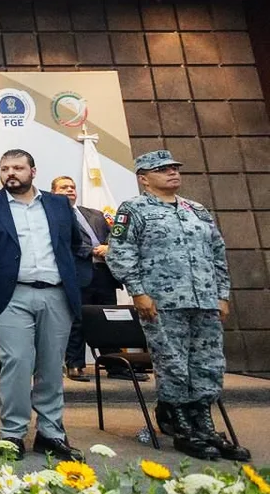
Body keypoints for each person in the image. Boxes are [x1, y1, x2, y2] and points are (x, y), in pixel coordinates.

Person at [106, 150, 249, 461]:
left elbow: (217, 253)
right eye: (162, 169)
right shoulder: (134, 209)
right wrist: (138, 292)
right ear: (144, 179)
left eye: (173, 168)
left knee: (208, 363)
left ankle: (204, 425)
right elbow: (120, 254)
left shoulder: (196, 210)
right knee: (173, 364)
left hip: (205, 301)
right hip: (163, 303)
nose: (172, 172)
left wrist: (222, 295)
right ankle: (182, 426)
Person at [0, 149, 86, 460]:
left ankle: (50, 433)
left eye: (18, 167)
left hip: (56, 294)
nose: (10, 173)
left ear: (33, 171)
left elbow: (73, 243)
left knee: (51, 366)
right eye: (5, 168)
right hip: (12, 295)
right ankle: (13, 434)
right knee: (16, 362)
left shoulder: (58, 204)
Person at [49, 176, 136, 383]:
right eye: (63, 187)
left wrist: (108, 247)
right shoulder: (51, 217)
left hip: (104, 273)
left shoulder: (94, 213)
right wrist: (92, 250)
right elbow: (62, 243)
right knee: (77, 321)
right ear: (53, 193)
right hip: (77, 275)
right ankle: (75, 365)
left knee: (109, 319)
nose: (69, 190)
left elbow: (114, 237)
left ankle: (116, 365)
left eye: (72, 187)